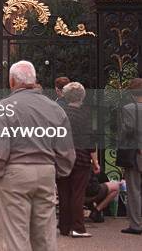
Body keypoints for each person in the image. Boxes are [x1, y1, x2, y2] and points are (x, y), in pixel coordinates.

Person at [0, 60, 75, 251]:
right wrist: (57, 171)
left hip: (14, 173)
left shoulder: (5, 107)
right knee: (45, 237)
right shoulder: (54, 108)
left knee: (16, 238)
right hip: (46, 172)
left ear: (11, 82)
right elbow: (66, 151)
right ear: (34, 80)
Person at [57, 82, 99, 238]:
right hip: (80, 157)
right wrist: (95, 161)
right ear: (82, 96)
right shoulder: (85, 115)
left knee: (64, 192)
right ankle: (77, 227)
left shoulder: (60, 113)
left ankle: (64, 225)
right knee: (77, 193)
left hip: (62, 157)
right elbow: (90, 141)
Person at [119, 77, 142, 235]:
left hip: (135, 154)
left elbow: (127, 131)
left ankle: (136, 224)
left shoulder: (128, 108)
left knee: (134, 190)